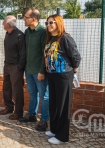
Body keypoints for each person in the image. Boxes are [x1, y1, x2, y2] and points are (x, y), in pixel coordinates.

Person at [44, 14, 81, 144]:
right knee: (53, 103)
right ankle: (54, 129)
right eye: (47, 23)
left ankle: (62, 136)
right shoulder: (51, 39)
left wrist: (74, 71)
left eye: (51, 22)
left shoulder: (65, 38)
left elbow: (76, 56)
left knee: (63, 106)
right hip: (52, 75)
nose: (48, 25)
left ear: (58, 23)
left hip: (64, 75)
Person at [19, 8, 49, 131]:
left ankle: (44, 120)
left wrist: (42, 71)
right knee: (32, 93)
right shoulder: (27, 32)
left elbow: (45, 53)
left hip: (39, 70)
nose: (24, 19)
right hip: (29, 69)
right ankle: (32, 115)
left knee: (44, 96)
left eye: (26, 17)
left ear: (34, 19)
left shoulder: (43, 32)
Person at [0, 15, 26, 119]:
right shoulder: (7, 34)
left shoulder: (20, 35)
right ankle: (9, 107)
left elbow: (23, 53)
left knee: (17, 90)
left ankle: (18, 112)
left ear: (8, 24)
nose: (2, 24)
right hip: (7, 65)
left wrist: (19, 67)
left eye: (3, 22)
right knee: (6, 87)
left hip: (16, 67)